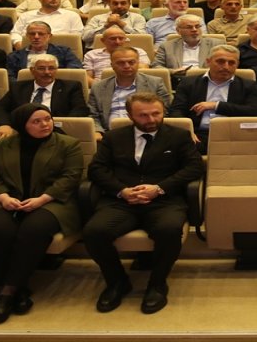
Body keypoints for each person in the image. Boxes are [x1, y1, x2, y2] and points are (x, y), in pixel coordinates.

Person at [84, 92, 202, 314]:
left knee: (169, 230)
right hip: (122, 200)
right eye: (143, 115)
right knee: (94, 232)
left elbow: (194, 168)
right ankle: (117, 281)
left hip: (163, 200)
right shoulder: (113, 137)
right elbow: (97, 169)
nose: (151, 120)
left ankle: (157, 284)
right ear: (130, 115)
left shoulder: (179, 136)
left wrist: (159, 188)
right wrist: (122, 191)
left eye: (156, 114)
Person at [0, 103, 84, 324]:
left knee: (33, 229)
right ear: (21, 125)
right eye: (36, 121)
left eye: (47, 119)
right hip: (8, 200)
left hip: (52, 202)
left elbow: (70, 178)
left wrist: (42, 199)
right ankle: (19, 288)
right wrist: (3, 198)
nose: (45, 124)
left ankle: (6, 291)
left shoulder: (68, 144)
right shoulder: (0, 146)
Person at [167, 45, 257, 154]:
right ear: (208, 62)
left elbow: (254, 111)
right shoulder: (189, 83)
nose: (226, 67)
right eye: (220, 62)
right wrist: (187, 130)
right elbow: (176, 111)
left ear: (237, 64)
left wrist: (216, 105)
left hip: (234, 135)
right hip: (198, 134)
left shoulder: (248, 85)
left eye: (231, 63)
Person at [0, 54, 91, 139]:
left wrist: (56, 125)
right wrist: (4, 124)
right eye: (41, 68)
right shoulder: (18, 87)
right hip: (21, 132)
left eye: (51, 68)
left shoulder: (70, 87)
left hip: (55, 133)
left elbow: (80, 109)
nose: (47, 72)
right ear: (32, 70)